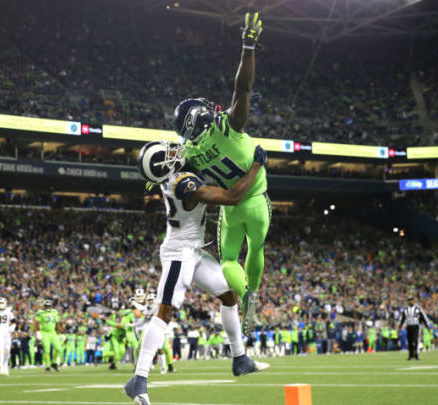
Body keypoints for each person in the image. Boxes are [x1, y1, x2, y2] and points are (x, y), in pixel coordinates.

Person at [124, 140, 270, 405]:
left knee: (229, 296)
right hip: (179, 255)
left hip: (194, 251)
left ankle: (240, 359)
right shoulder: (182, 184)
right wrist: (256, 167)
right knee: (163, 313)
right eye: (168, 153)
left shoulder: (173, 175)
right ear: (163, 165)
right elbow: (231, 197)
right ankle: (139, 380)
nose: (174, 152)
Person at [173, 12, 267, 335]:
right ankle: (253, 291)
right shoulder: (227, 127)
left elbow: (177, 178)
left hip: (230, 208)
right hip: (255, 198)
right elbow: (244, 88)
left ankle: (246, 295)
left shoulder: (193, 154)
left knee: (228, 260)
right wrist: (248, 46)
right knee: (256, 249)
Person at [34, 299, 63, 372]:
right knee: (47, 350)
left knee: (59, 348)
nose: (47, 307)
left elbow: (57, 323)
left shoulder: (55, 312)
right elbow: (37, 323)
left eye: (49, 306)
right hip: (44, 333)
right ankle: (47, 366)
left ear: (51, 306)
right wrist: (37, 332)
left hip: (53, 332)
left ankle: (54, 362)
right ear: (44, 306)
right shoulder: (40, 313)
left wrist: (61, 332)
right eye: (46, 306)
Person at [398, 297, 430, 361]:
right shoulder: (405, 309)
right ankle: (410, 355)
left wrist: (427, 326)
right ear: (408, 302)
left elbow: (423, 317)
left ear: (414, 301)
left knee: (416, 341)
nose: (411, 302)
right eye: (409, 301)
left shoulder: (418, 308)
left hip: (416, 326)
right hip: (409, 326)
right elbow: (402, 318)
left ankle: (416, 355)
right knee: (410, 341)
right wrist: (400, 326)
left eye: (412, 300)